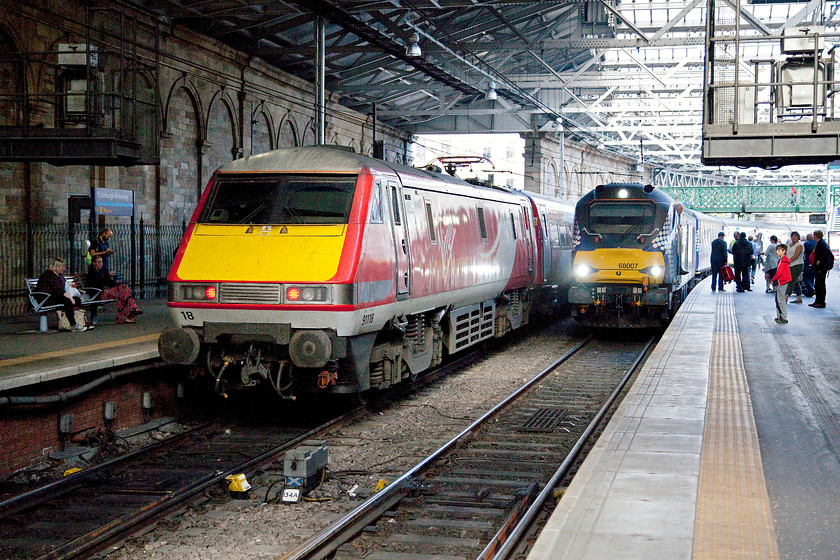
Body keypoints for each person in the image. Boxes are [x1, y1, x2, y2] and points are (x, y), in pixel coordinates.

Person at [36, 257, 88, 332]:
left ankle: (81, 321)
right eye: (62, 267)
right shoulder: (49, 275)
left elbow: (60, 289)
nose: (63, 269)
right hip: (46, 299)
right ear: (56, 266)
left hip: (53, 297)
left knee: (76, 299)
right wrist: (70, 298)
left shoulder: (57, 275)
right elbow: (59, 290)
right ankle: (73, 324)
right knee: (67, 301)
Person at [87, 255, 141, 324]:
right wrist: (107, 275)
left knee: (124, 291)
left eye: (101, 262)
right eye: (98, 262)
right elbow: (98, 284)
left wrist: (116, 284)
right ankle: (131, 310)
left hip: (105, 291)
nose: (101, 264)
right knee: (123, 292)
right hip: (99, 294)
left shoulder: (102, 271)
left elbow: (108, 282)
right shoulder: (92, 273)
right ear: (93, 263)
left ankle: (128, 315)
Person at [809, 229, 834, 308]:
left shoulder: (821, 245)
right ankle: (818, 301)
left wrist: (819, 265)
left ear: (817, 236)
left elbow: (824, 256)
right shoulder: (821, 243)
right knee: (818, 284)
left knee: (820, 285)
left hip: (821, 268)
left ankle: (821, 301)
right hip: (820, 268)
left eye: (814, 235)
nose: (813, 237)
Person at [771, 243, 791, 324]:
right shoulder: (783, 260)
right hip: (783, 281)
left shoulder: (782, 261)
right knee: (779, 299)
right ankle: (780, 316)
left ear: (784, 251)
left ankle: (784, 317)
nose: (777, 252)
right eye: (777, 250)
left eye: (779, 250)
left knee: (780, 300)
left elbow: (779, 272)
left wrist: (773, 279)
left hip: (782, 281)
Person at [786, 231, 804, 304]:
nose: (794, 238)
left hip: (797, 265)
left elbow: (796, 255)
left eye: (795, 236)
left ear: (798, 237)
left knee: (791, 281)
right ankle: (799, 297)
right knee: (795, 281)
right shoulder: (789, 244)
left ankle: (786, 296)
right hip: (790, 265)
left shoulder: (799, 245)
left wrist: (788, 261)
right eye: (792, 236)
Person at [801, 232, 816, 297]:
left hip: (808, 262)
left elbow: (804, 253)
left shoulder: (806, 243)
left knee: (805, 277)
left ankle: (811, 289)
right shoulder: (816, 243)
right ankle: (811, 290)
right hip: (814, 263)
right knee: (812, 277)